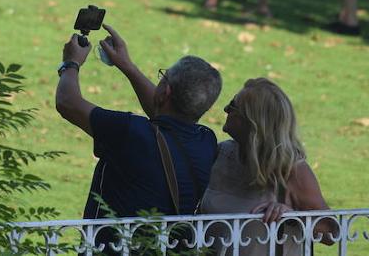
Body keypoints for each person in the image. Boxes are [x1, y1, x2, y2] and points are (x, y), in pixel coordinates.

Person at [55, 24, 222, 238]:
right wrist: (127, 66)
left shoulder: (131, 132)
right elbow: (164, 112)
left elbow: (68, 102)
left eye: (163, 77)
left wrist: (71, 63)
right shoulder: (206, 140)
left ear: (165, 92)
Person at [199, 79, 337, 255]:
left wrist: (294, 216)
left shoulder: (292, 170)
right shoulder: (221, 154)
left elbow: (331, 233)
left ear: (253, 121)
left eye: (233, 105)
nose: (226, 109)